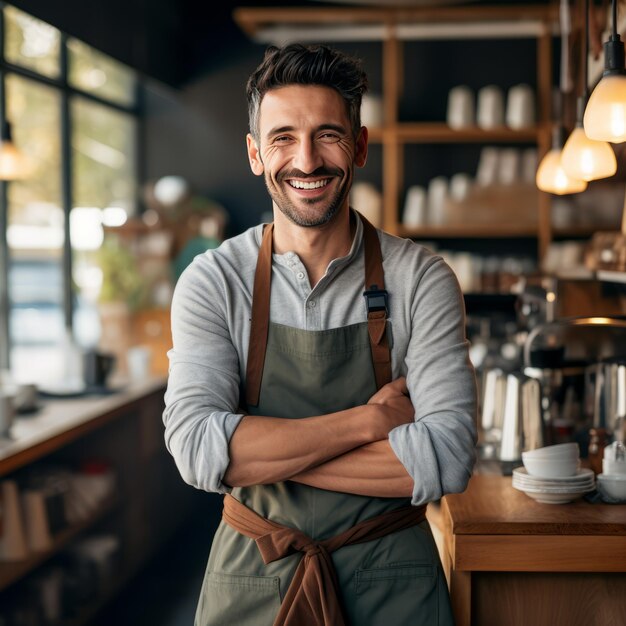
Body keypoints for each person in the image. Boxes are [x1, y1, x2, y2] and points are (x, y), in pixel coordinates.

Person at [163, 43, 477, 626]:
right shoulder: (213, 281)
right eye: (282, 138)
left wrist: (252, 455)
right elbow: (194, 449)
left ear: (359, 147)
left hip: (393, 583)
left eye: (328, 135)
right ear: (256, 154)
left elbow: (447, 457)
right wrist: (368, 424)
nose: (305, 160)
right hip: (253, 577)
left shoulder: (422, 279)